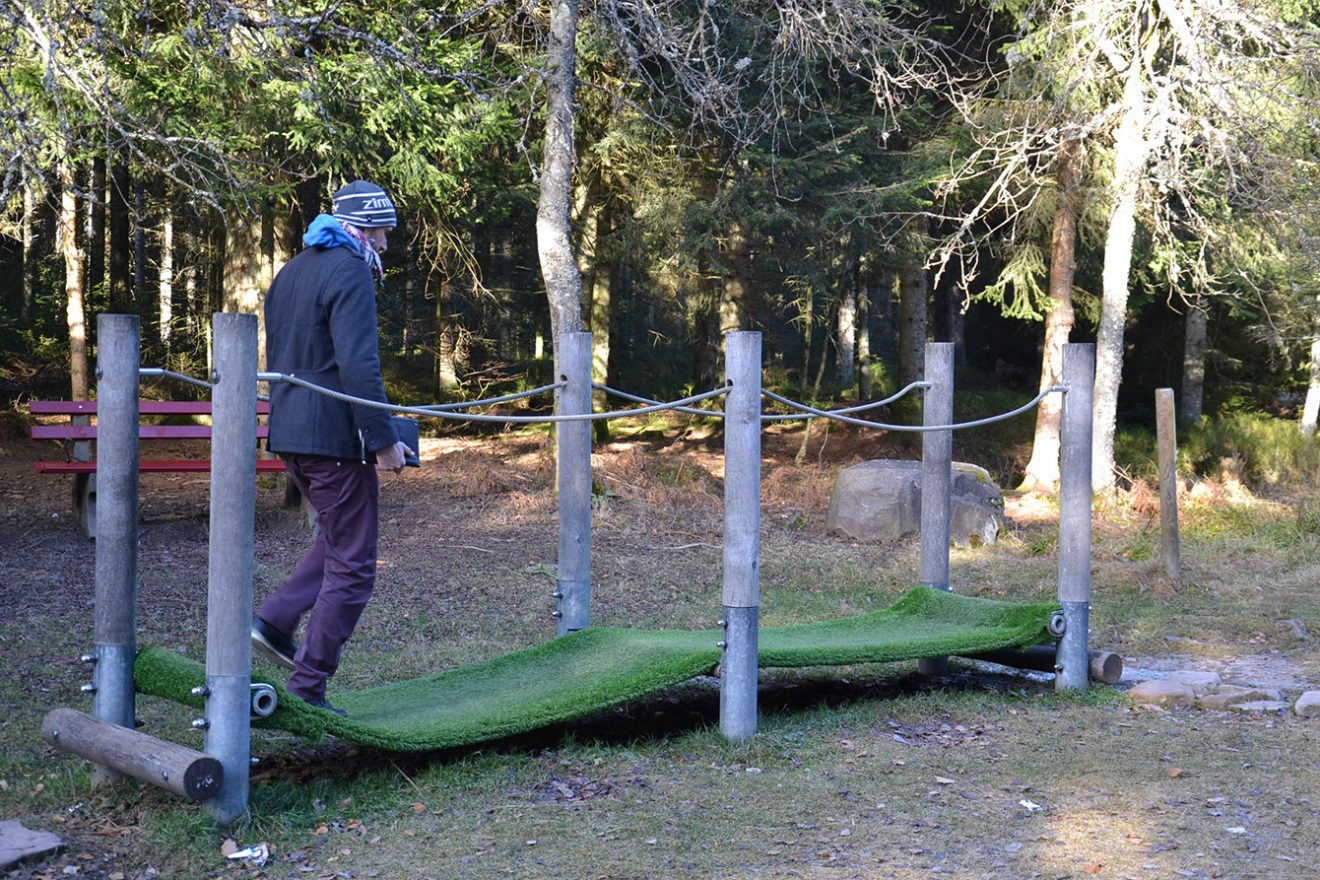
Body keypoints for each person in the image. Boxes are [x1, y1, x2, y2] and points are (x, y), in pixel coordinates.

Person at [251, 179, 413, 717]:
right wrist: (384, 438)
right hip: (334, 441)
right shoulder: (349, 269)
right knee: (357, 563)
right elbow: (358, 365)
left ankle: (275, 619)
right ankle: (308, 687)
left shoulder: (292, 270)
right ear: (355, 228)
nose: (384, 245)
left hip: (291, 435)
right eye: (379, 232)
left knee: (341, 540)